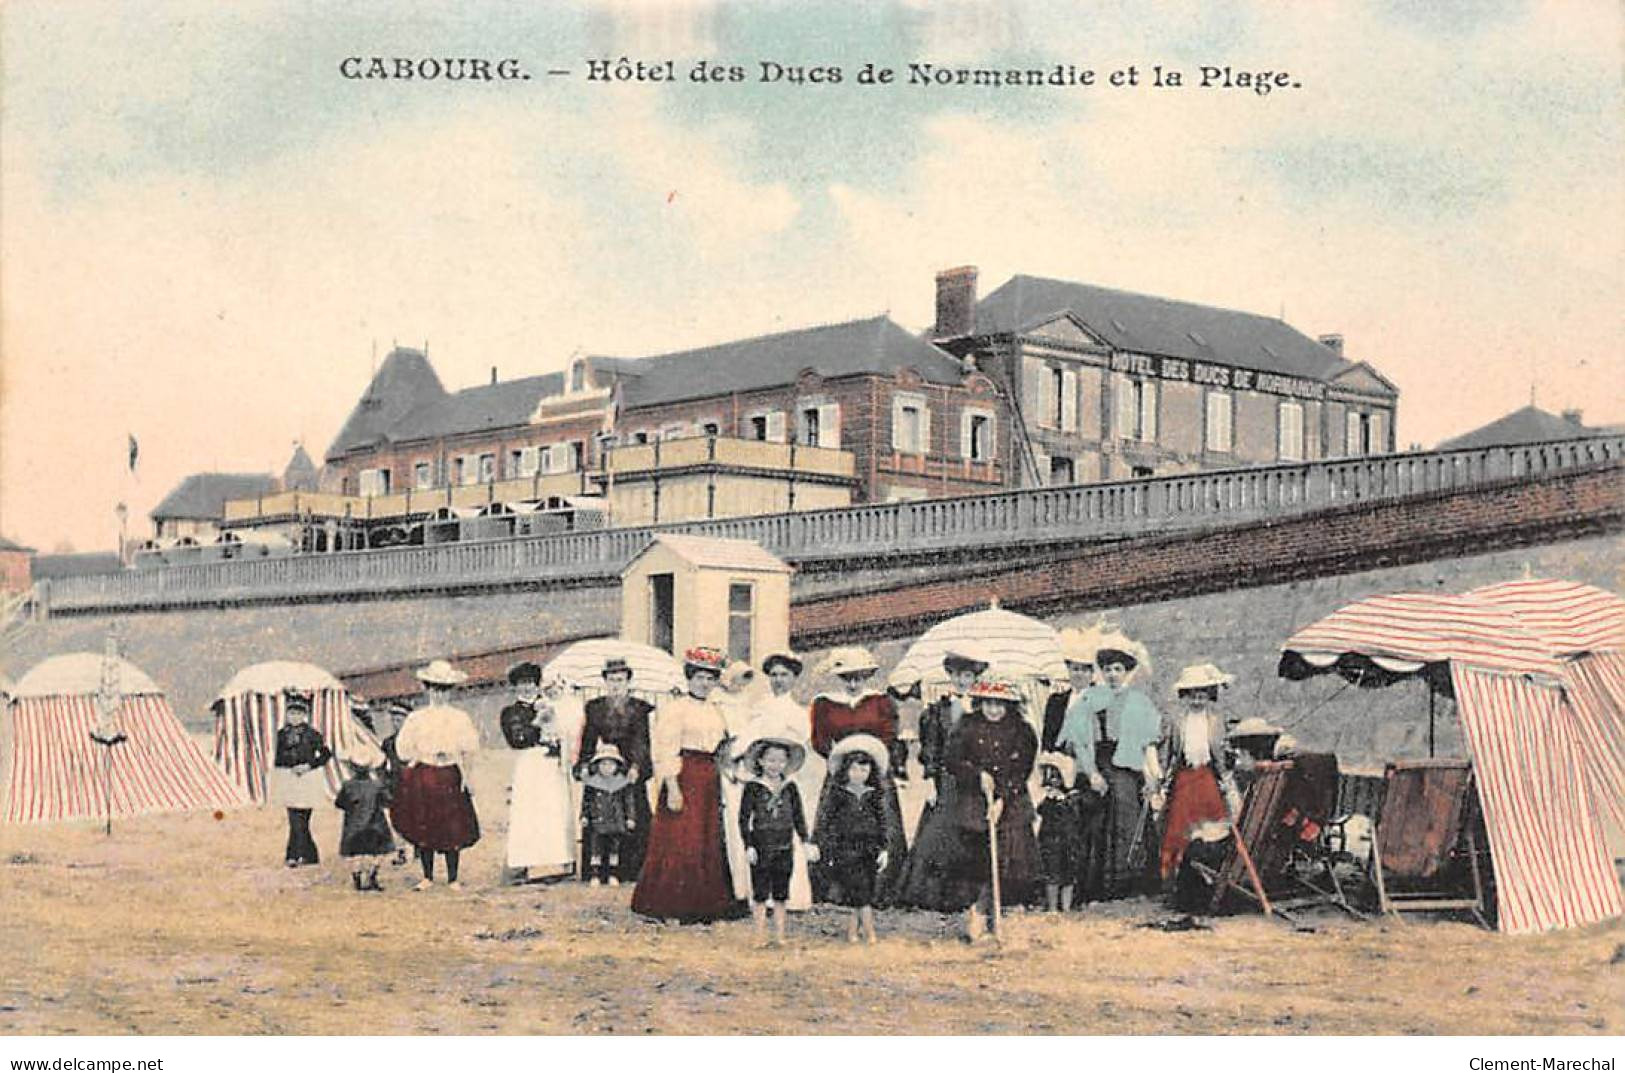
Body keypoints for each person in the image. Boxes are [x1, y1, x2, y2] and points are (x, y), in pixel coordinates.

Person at [631, 646, 742, 923]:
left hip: (709, 776)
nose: (705, 684)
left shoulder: (717, 711)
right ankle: (672, 904)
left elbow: (724, 746)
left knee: (707, 837)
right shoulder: (676, 709)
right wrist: (673, 787)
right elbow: (665, 749)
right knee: (682, 838)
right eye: (700, 678)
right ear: (689, 678)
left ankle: (705, 904)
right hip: (684, 774)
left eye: (710, 679)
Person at [1057, 636, 1162, 899]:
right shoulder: (1090, 698)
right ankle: (1099, 887)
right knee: (1097, 821)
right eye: (1108, 669)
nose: (1113, 675)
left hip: (1129, 768)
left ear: (1127, 672)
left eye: (1118, 669)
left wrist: (1152, 775)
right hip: (1099, 764)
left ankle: (1130, 884)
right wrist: (1091, 773)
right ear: (1101, 673)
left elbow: (1147, 743)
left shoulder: (1139, 701)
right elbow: (1079, 742)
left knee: (1130, 818)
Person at [809, 647, 909, 906]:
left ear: (867, 676)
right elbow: (819, 739)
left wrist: (875, 760)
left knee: (880, 817)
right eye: (847, 677)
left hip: (874, 767)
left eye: (859, 677)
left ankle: (882, 888)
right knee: (837, 818)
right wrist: (838, 757)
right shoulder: (825, 703)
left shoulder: (880, 702)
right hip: (842, 769)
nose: (853, 683)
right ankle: (837, 888)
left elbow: (890, 734)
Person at [946, 677, 1039, 941]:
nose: (994, 710)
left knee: (1012, 858)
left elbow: (1022, 770)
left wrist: (1002, 799)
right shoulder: (966, 725)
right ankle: (979, 913)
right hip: (974, 802)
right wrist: (976, 774)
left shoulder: (1022, 731)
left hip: (1012, 802)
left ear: (1010, 705)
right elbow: (952, 760)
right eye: (989, 703)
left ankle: (1007, 917)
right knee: (980, 860)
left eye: (1000, 704)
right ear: (980, 702)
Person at [897, 650, 987, 911]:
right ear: (950, 676)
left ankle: (971, 896)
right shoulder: (938, 711)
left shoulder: (984, 709)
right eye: (957, 675)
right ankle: (934, 896)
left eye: (967, 675)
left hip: (974, 781)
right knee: (940, 833)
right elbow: (931, 748)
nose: (962, 681)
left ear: (975, 678)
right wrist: (929, 780)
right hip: (946, 780)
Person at [731, 652, 820, 911]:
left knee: (786, 828)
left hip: (786, 775)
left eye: (784, 675)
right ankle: (757, 893)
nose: (778, 680)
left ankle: (790, 895)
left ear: (794, 678)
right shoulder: (760, 707)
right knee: (757, 828)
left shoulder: (799, 712)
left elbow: (801, 744)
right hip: (760, 774)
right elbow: (747, 738)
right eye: (774, 675)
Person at [391, 659, 481, 892]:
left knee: (452, 825)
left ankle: (453, 878)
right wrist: (418, 758)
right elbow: (403, 748)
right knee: (424, 824)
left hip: (449, 774)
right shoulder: (417, 718)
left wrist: (467, 778)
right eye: (435, 688)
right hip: (425, 773)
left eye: (444, 689)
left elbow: (470, 749)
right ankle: (427, 876)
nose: (439, 694)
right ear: (427, 688)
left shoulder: (460, 717)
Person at [576, 657, 654, 883]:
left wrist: (637, 767)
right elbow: (588, 739)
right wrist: (584, 765)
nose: (616, 685)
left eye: (620, 680)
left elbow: (642, 741)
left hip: (630, 764)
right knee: (597, 811)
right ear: (605, 682)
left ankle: (631, 869)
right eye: (611, 680)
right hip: (604, 764)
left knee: (633, 813)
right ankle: (595, 870)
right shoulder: (596, 707)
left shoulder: (639, 708)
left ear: (628, 681)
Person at [501, 661, 579, 884]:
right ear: (516, 688)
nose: (527, 689)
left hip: (551, 763)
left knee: (554, 809)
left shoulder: (550, 705)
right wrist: (536, 723)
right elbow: (516, 740)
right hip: (529, 762)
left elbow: (564, 730)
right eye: (522, 684)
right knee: (529, 812)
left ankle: (556, 862)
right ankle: (526, 863)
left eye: (531, 684)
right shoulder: (511, 712)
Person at [737, 737, 816, 945]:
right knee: (761, 893)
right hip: (761, 846)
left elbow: (798, 816)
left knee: (781, 893)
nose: (776, 765)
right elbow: (744, 819)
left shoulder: (790, 787)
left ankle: (780, 935)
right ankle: (759, 935)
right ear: (761, 761)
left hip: (784, 845)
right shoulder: (753, 787)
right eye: (771, 760)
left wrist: (805, 841)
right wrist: (749, 845)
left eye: (781, 761)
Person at [814, 736, 890, 944]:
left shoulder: (873, 795)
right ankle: (870, 932)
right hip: (847, 848)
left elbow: (882, 822)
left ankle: (852, 932)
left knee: (863, 890)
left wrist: (884, 848)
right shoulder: (838, 794)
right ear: (846, 770)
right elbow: (826, 819)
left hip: (870, 848)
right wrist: (826, 845)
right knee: (859, 889)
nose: (859, 775)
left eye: (864, 771)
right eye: (855, 770)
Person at [270, 689, 332, 868]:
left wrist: (308, 765)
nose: (294, 717)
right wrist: (287, 766)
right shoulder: (281, 734)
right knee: (293, 817)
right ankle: (308, 855)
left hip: (308, 779)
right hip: (289, 778)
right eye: (291, 713)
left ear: (304, 715)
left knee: (302, 818)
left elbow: (326, 754)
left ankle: (294, 855)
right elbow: (276, 756)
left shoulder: (312, 734)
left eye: (298, 713)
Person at [334, 740, 394, 892]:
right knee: (378, 853)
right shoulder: (377, 785)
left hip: (354, 825)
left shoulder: (348, 786)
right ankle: (372, 875)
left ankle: (357, 878)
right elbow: (387, 801)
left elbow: (339, 803)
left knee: (356, 854)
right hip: (376, 825)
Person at [579, 743, 638, 887]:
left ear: (617, 766)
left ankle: (613, 874)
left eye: (611, 764)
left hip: (615, 821)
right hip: (598, 821)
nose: (607, 768)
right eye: (603, 764)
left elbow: (628, 802)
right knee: (596, 849)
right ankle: (595, 874)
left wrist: (630, 817)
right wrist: (584, 816)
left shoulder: (621, 784)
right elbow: (586, 801)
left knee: (614, 848)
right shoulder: (593, 784)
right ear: (597, 765)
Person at [1035, 751, 1083, 912]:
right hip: (1051, 838)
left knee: (1068, 874)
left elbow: (1075, 816)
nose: (1052, 780)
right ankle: (1053, 907)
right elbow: (1040, 810)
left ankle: (1066, 907)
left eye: (1056, 775)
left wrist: (1065, 800)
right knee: (1052, 873)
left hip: (1068, 839)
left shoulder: (1073, 799)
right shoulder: (1046, 797)